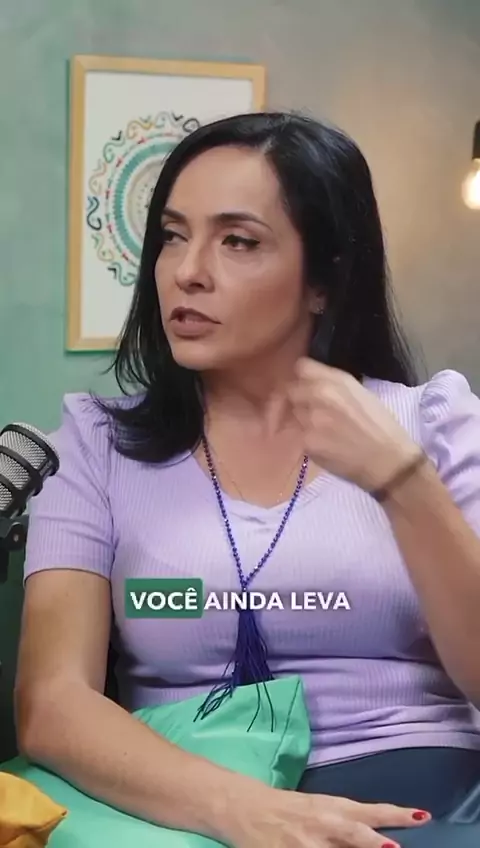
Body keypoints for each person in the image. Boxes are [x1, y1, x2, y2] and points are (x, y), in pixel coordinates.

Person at [14, 111, 480, 848]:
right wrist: (241, 809)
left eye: (238, 241)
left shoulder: (434, 421)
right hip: (183, 797)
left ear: (324, 281)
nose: (187, 271)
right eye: (173, 235)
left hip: (421, 792)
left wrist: (404, 481)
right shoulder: (96, 442)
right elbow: (51, 703)